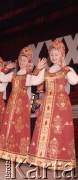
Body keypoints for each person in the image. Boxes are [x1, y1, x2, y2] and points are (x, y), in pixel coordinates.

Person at [27, 39, 78, 170]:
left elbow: (74, 81)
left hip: (61, 105)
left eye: (57, 54)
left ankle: (58, 160)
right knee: (44, 129)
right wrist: (37, 69)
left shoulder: (67, 69)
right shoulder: (46, 70)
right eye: (52, 54)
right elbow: (33, 82)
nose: (54, 57)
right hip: (46, 102)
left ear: (62, 55)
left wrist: (65, 68)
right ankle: (41, 158)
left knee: (58, 130)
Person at [0, 47, 33, 162]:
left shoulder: (29, 74)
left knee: (20, 126)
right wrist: (6, 68)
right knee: (9, 123)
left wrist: (32, 106)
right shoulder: (14, 74)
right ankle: (6, 149)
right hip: (12, 101)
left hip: (23, 102)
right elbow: (0, 79)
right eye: (20, 60)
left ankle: (19, 152)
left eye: (24, 60)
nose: (21, 62)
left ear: (28, 62)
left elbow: (31, 90)